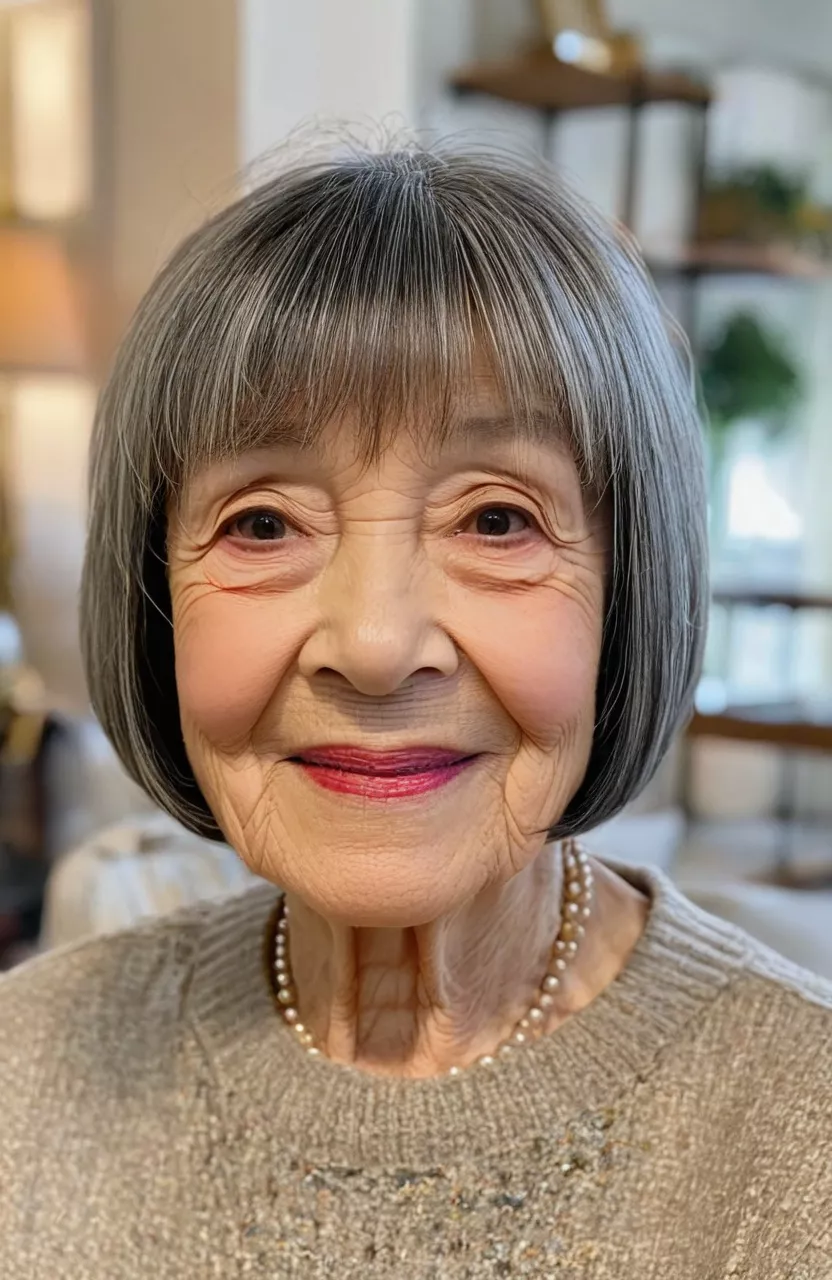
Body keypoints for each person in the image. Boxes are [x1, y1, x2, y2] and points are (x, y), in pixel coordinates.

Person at [0, 143, 829, 1279]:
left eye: (496, 520)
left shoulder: (802, 1137)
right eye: (262, 524)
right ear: (154, 599)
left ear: (630, 590)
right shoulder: (27, 1072)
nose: (376, 647)